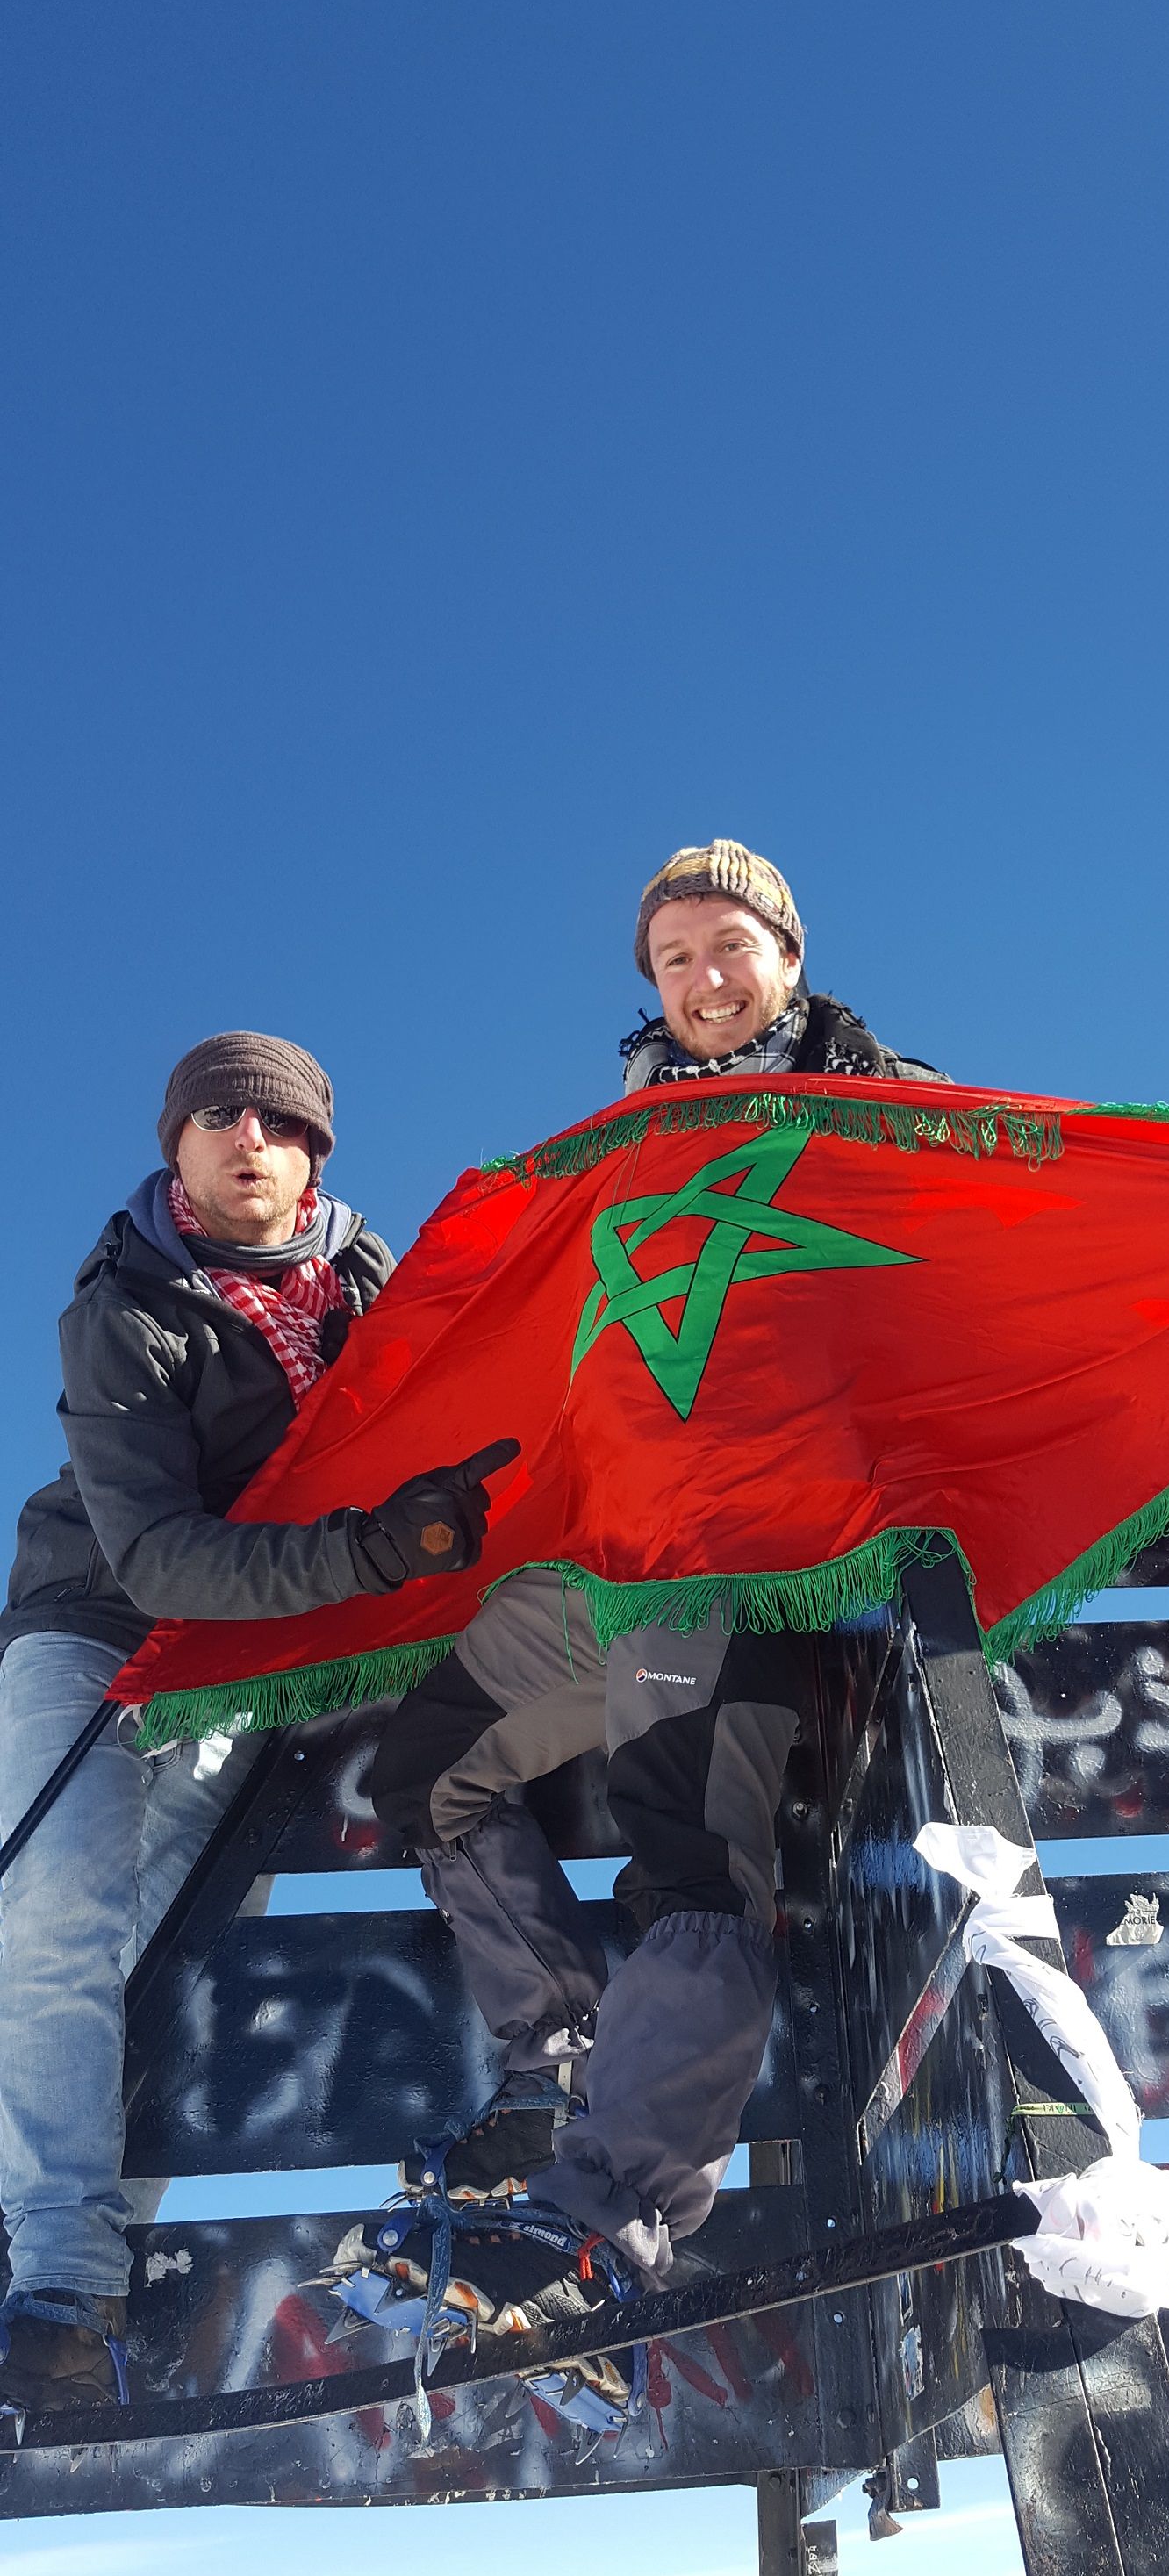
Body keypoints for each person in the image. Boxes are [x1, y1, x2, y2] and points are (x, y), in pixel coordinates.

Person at [348, 842, 942, 2343]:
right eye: (673, 960)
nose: (701, 980)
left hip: (734, 1565)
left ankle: (607, 2212)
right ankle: (560, 2050)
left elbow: (977, 1274)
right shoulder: (613, 1150)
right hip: (601, 1558)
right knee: (424, 1775)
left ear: (789, 955)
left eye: (727, 947)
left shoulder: (890, 1108)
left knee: (692, 1864)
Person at [0, 1031, 513, 2410]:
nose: (249, 1140)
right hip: (98, 1619)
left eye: (280, 1125)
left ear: (312, 1157)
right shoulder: (124, 1305)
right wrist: (369, 1554)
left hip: (253, 1654)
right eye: (218, 1118)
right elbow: (161, 1555)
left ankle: (74, 2219)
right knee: (55, 1912)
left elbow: (473, 1406)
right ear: (176, 1144)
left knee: (160, 1928)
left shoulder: (372, 1287)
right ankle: (58, 2279)